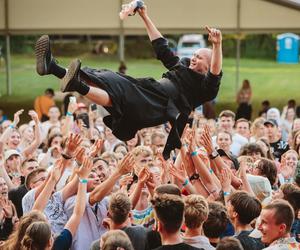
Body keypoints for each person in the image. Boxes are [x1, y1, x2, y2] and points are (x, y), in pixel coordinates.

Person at [34, 5, 223, 159]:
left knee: (118, 96)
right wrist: (144, 16)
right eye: (194, 55)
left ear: (207, 65)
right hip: (149, 89)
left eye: (199, 57)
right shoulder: (182, 66)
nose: (193, 58)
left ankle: (71, 81)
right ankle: (52, 67)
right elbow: (161, 47)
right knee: (106, 78)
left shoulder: (205, 89)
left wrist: (217, 45)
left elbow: (215, 74)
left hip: (158, 106)